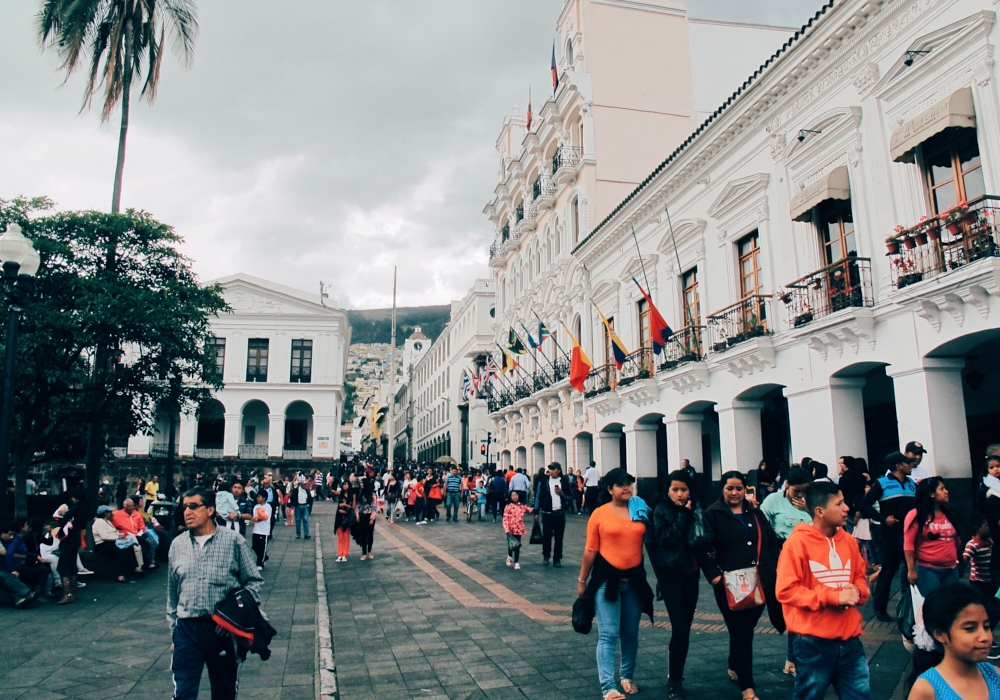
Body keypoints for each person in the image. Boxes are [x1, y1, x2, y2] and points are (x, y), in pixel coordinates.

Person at [776, 481, 870, 700]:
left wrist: (858, 591)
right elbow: (785, 591)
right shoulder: (797, 543)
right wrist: (833, 597)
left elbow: (859, 576)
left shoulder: (848, 540)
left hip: (851, 641)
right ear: (819, 511)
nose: (847, 508)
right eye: (839, 503)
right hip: (812, 643)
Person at [167, 486, 263, 700]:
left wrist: (233, 617)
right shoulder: (177, 545)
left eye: (194, 506)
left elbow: (253, 581)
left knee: (224, 691)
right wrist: (174, 630)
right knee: (183, 692)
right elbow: (172, 593)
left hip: (221, 630)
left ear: (210, 510)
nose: (187, 512)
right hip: (187, 629)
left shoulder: (233, 541)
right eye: (185, 507)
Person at [702, 471, 782, 700]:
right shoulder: (713, 514)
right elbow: (704, 547)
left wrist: (774, 567)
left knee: (744, 631)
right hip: (730, 583)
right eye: (730, 488)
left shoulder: (755, 512)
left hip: (760, 580)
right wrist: (714, 575)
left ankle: (735, 664)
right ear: (722, 489)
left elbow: (769, 541)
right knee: (742, 631)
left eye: (739, 489)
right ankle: (747, 686)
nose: (735, 493)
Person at [577, 468, 654, 700]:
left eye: (629, 483)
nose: (626, 488)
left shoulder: (640, 510)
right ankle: (608, 687)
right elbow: (590, 550)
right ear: (610, 489)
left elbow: (657, 537)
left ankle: (627, 676)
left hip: (635, 581)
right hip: (606, 582)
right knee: (609, 634)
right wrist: (582, 580)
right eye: (620, 484)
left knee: (630, 633)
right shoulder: (599, 514)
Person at [649, 470, 705, 699]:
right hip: (671, 575)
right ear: (668, 491)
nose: (680, 494)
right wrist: (683, 514)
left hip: (691, 575)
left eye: (684, 489)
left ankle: (676, 675)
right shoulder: (661, 510)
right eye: (675, 490)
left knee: (685, 629)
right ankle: (674, 681)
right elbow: (666, 539)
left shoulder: (696, 509)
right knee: (680, 628)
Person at [760, 466, 814, 678]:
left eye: (804, 491)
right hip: (782, 556)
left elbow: (826, 523)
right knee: (792, 608)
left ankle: (801, 656)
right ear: (787, 485)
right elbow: (761, 524)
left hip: (811, 559)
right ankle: (792, 658)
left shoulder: (813, 500)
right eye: (796, 491)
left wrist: (810, 509)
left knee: (807, 609)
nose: (800, 495)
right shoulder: (774, 500)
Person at [908, 583, 1000, 700]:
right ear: (940, 634)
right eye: (970, 629)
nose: (985, 637)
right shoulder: (926, 689)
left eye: (986, 626)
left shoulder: (995, 676)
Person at [862, 451, 918, 622]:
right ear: (898, 466)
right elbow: (864, 504)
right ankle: (880, 609)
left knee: (914, 571)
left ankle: (914, 608)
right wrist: (883, 518)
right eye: (907, 463)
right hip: (891, 535)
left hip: (912, 534)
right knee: (888, 572)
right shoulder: (882, 483)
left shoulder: (912, 484)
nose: (911, 465)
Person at [904, 477, 961, 598]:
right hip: (927, 570)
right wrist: (911, 570)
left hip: (951, 569)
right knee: (933, 605)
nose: (946, 491)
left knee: (951, 606)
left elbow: (956, 538)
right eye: (941, 489)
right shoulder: (916, 515)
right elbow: (908, 544)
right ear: (931, 494)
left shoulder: (949, 513)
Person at [534, 463, 572, 567]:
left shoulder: (564, 482)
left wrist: (562, 493)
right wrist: (536, 511)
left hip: (560, 514)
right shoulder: (543, 481)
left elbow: (571, 497)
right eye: (549, 469)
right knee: (547, 535)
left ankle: (557, 559)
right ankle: (546, 556)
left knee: (559, 538)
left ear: (559, 470)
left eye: (553, 469)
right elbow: (538, 496)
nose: (551, 471)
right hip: (547, 514)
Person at [92, 505, 141, 581]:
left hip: (111, 542)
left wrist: (120, 535)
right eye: (110, 512)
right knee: (120, 553)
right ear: (105, 513)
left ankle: (135, 568)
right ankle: (120, 575)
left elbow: (114, 532)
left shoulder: (107, 521)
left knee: (129, 547)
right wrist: (118, 537)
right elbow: (104, 536)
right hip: (102, 544)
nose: (111, 513)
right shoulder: (99, 522)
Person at [55, 494, 86, 604]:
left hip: (69, 539)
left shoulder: (75, 508)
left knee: (62, 566)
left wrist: (61, 514)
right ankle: (72, 591)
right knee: (72, 564)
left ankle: (67, 593)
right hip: (76, 537)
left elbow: (63, 520)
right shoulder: (84, 509)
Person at [113, 498, 154, 569]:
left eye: (132, 506)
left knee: (145, 542)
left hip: (137, 535)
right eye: (129, 506)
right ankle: (145, 564)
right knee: (141, 544)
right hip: (126, 536)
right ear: (124, 507)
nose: (132, 508)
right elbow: (113, 525)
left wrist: (140, 532)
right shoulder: (117, 514)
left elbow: (142, 527)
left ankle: (146, 563)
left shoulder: (137, 514)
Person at [502, 491, 533, 570]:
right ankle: (509, 556)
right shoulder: (508, 507)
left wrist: (537, 506)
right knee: (511, 544)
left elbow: (530, 510)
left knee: (517, 546)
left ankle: (516, 562)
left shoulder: (522, 506)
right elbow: (505, 519)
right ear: (510, 497)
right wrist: (507, 530)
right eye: (513, 495)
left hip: (519, 529)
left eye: (516, 495)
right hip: (510, 530)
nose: (515, 497)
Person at [357, 479, 378, 560]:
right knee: (363, 534)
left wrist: (372, 518)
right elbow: (358, 505)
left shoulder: (372, 494)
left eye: (362, 483)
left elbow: (374, 507)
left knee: (370, 534)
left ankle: (369, 551)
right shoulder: (360, 493)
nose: (361, 484)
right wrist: (357, 515)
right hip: (362, 515)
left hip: (369, 516)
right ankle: (364, 552)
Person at [251, 491, 271, 569]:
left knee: (262, 547)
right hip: (256, 529)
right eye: (257, 497)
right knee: (255, 546)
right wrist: (258, 517)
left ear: (264, 498)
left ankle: (260, 563)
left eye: (259, 497)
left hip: (264, 531)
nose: (257, 498)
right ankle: (264, 557)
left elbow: (265, 517)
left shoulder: (268, 506)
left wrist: (259, 516)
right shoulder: (256, 506)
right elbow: (255, 517)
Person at [335, 498, 353, 563]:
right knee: (340, 538)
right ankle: (340, 554)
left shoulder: (351, 496)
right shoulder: (340, 496)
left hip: (347, 520)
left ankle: (345, 554)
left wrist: (345, 505)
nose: (344, 486)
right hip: (339, 519)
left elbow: (353, 507)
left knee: (346, 537)